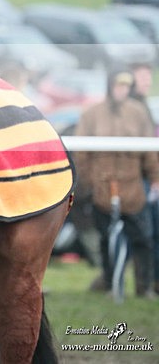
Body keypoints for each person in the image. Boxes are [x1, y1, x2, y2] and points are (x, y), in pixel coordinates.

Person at [74, 68, 159, 297]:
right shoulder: (92, 113)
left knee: (143, 239)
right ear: (110, 86)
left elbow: (149, 149)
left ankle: (144, 287)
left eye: (125, 86)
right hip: (102, 188)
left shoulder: (138, 112)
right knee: (107, 241)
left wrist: (155, 177)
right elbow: (82, 153)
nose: (122, 90)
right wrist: (89, 184)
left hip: (133, 189)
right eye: (118, 85)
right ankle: (111, 284)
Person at [129, 61, 159, 294]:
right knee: (144, 236)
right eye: (142, 77)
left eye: (149, 77)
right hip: (136, 181)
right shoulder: (133, 108)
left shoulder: (143, 106)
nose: (147, 82)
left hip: (146, 179)